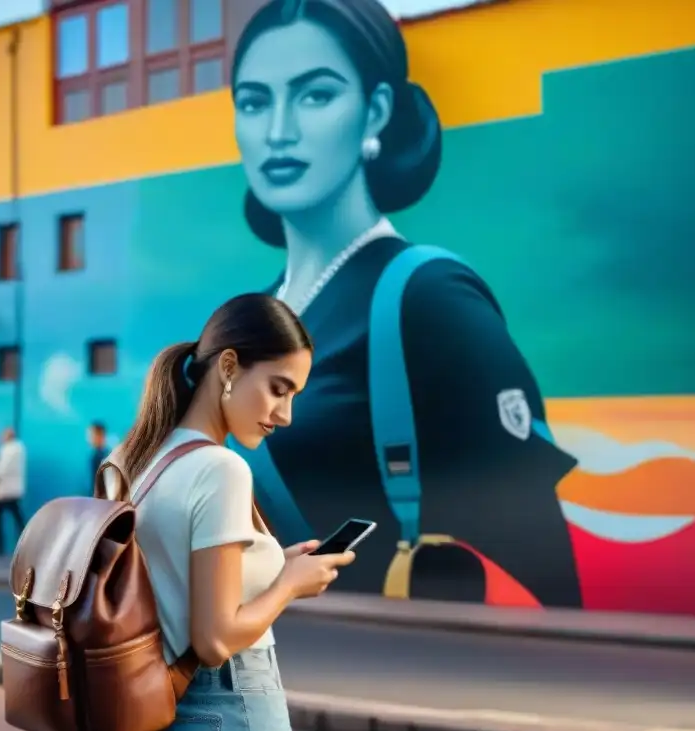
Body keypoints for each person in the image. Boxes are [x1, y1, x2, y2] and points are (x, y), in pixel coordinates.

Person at [227, 0, 582, 607]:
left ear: (377, 111)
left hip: (389, 655)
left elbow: (542, 567)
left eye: (315, 96)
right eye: (255, 102)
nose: (278, 130)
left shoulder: (429, 299)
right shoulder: (248, 315)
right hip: (260, 658)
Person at [98, 293, 356, 731]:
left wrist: (278, 565)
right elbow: (214, 640)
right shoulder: (221, 469)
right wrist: (289, 585)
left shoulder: (130, 458)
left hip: (131, 713)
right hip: (218, 712)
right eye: (279, 389)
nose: (285, 415)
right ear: (230, 366)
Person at [0, 427, 26, 555]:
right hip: (13, 490)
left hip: (4, 490)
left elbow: (1, 470)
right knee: (17, 516)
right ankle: (25, 545)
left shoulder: (7, 450)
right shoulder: (19, 449)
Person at [87, 421, 108, 489]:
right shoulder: (96, 455)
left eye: (91, 435)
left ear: (100, 436)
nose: (89, 439)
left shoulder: (101, 457)